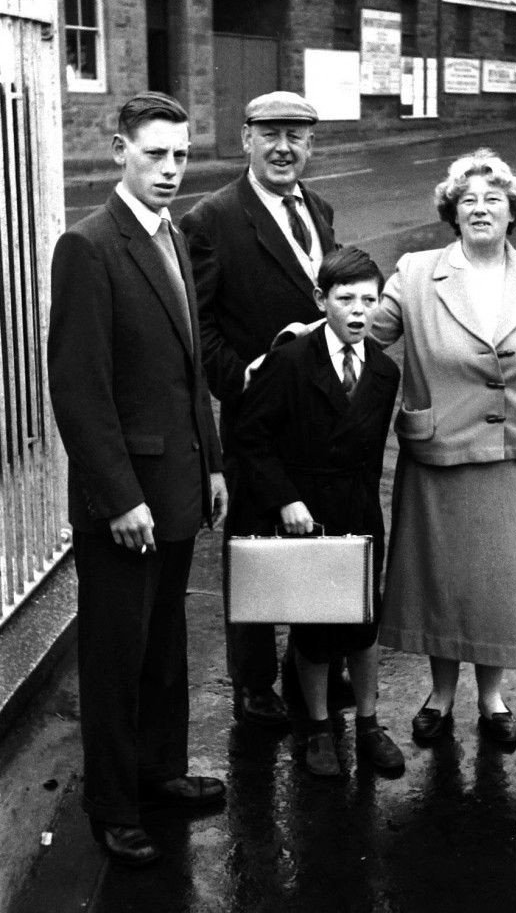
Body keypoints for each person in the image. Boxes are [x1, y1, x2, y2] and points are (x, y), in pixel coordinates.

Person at [47, 92, 228, 867]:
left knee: (164, 647)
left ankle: (158, 773)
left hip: (182, 486)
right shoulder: (89, 246)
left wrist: (212, 461)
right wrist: (119, 497)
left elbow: (187, 372)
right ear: (119, 149)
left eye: (180, 155)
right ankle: (113, 804)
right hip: (125, 502)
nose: (169, 169)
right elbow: (79, 390)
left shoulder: (172, 238)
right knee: (117, 655)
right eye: (154, 153)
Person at [370, 148, 516, 747]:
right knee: (440, 583)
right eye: (468, 200)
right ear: (452, 212)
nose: (481, 209)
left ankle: (491, 699)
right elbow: (364, 331)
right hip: (440, 455)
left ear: (513, 212)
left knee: (502, 587)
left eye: (493, 200)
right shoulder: (415, 273)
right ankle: (440, 695)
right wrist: (301, 335)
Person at [180, 91, 339, 729]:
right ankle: (253, 682)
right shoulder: (212, 218)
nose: (283, 148)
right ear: (245, 137)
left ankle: (310, 669)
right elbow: (199, 322)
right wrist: (238, 377)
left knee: (309, 542)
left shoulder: (320, 207)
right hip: (253, 415)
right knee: (252, 545)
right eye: (270, 134)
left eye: (296, 137)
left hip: (317, 413)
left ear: (310, 145)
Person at [232, 247, 404, 777]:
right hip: (305, 513)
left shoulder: (382, 370)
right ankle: (320, 727)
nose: (358, 311)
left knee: (362, 622)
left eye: (369, 300)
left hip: (358, 511)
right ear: (320, 300)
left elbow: (371, 449)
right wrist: (286, 499)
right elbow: (250, 436)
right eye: (345, 298)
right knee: (315, 628)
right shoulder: (290, 362)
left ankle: (369, 723)